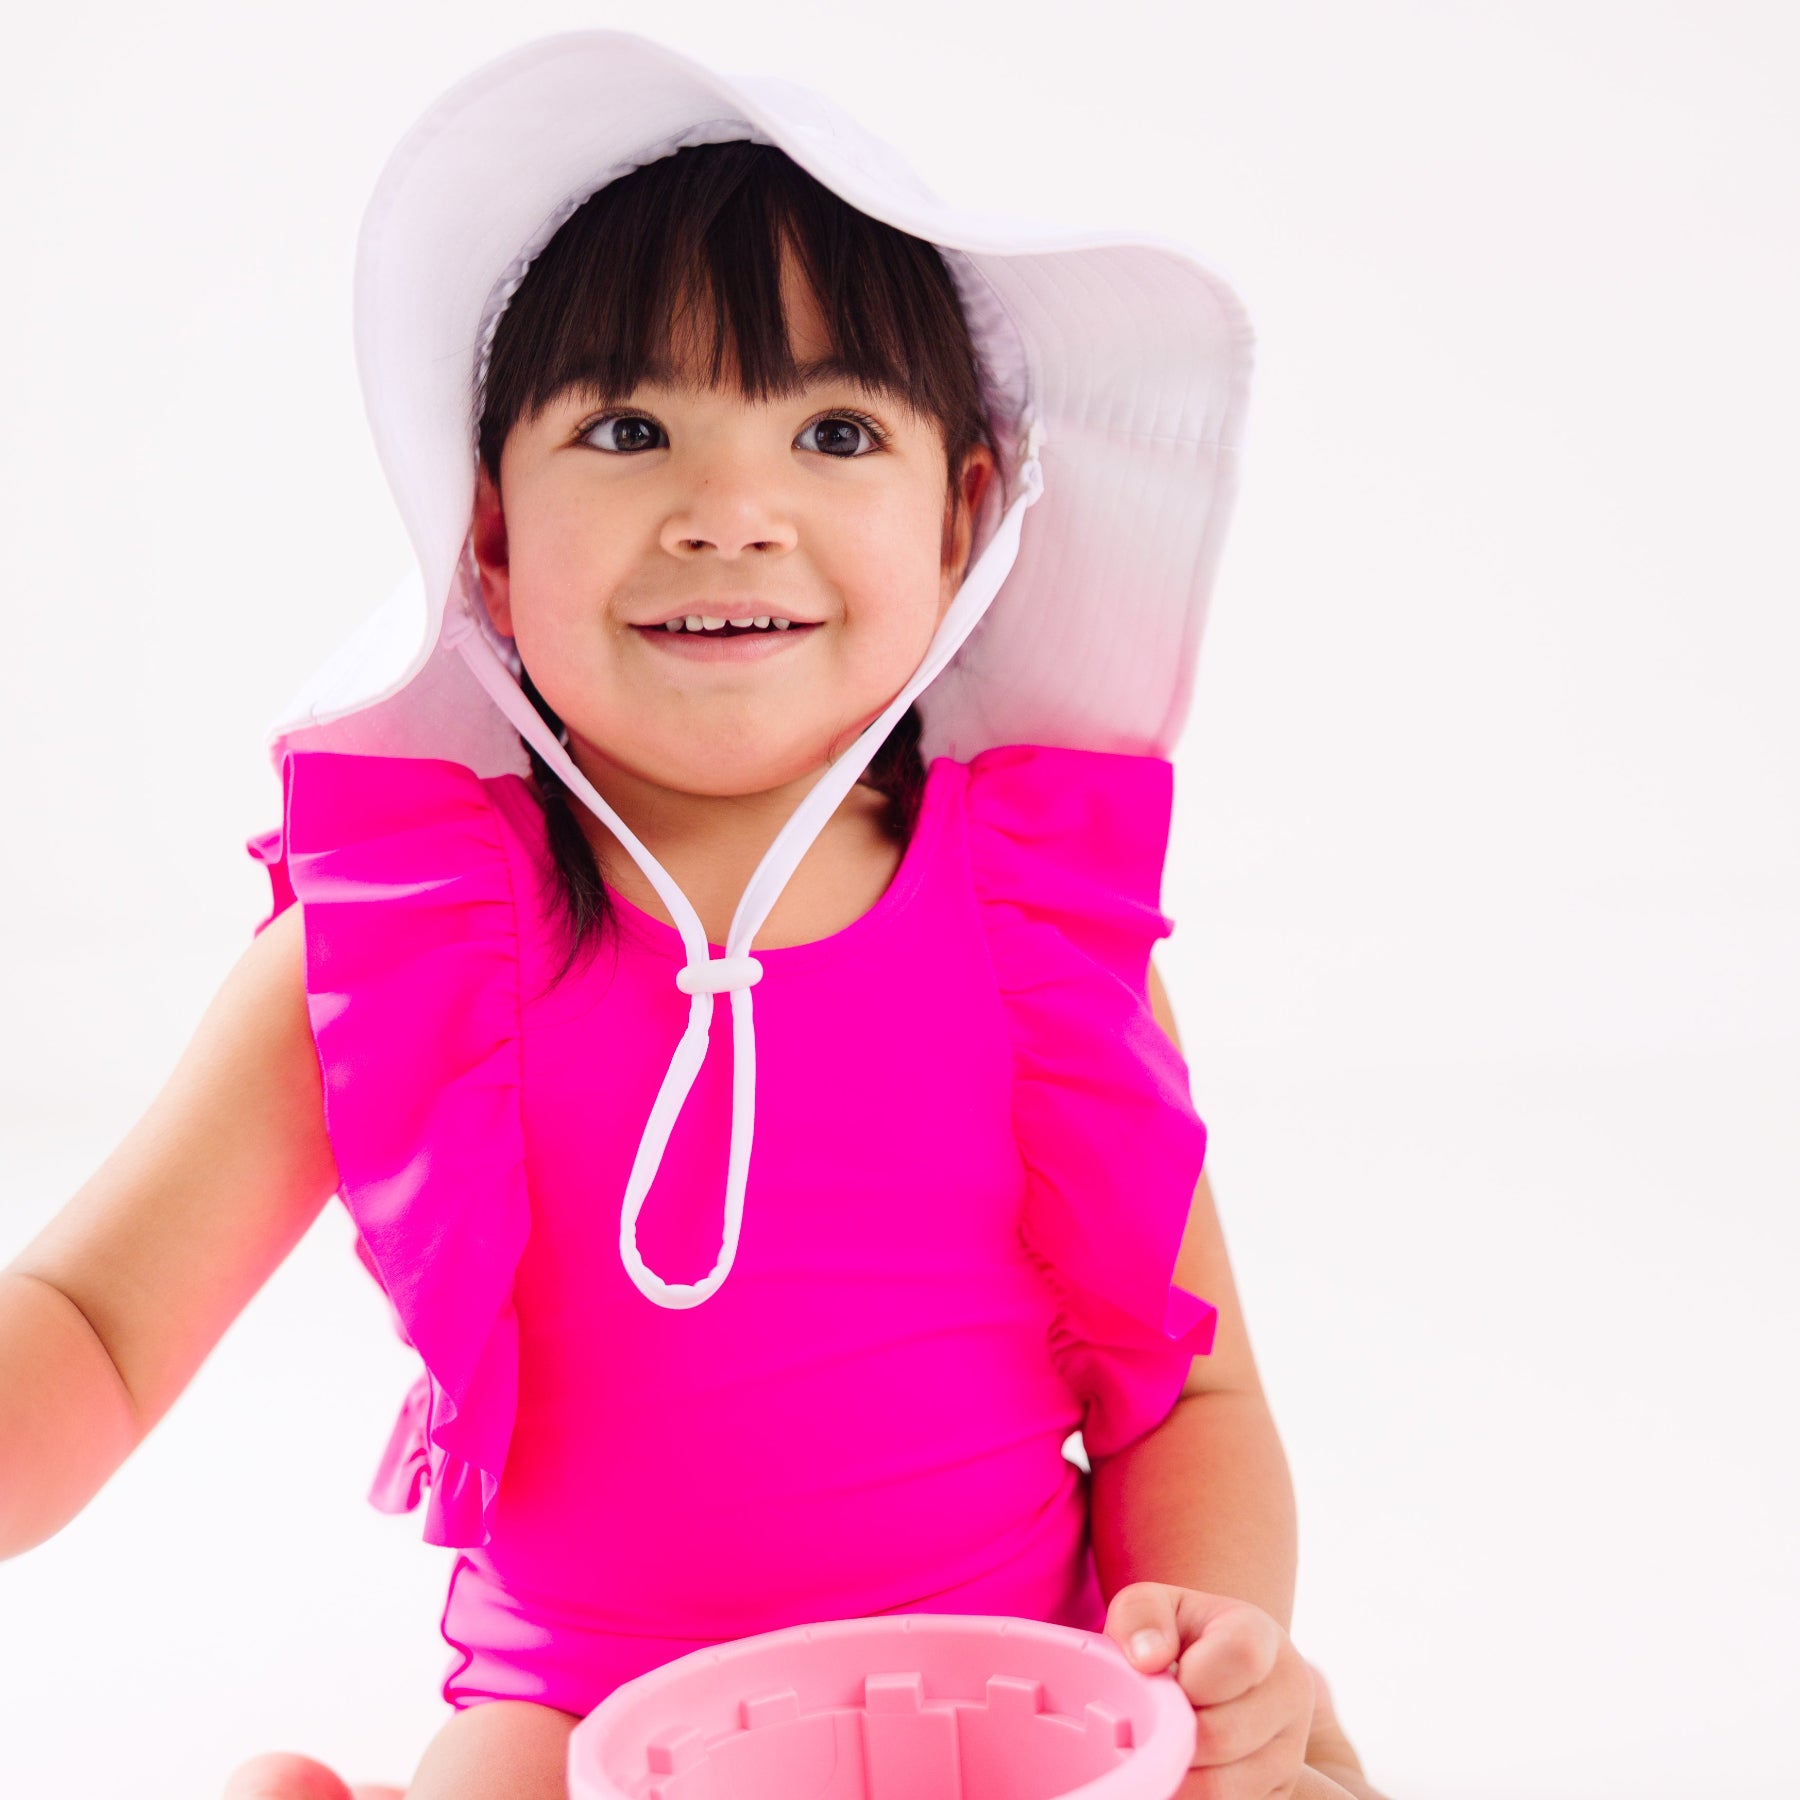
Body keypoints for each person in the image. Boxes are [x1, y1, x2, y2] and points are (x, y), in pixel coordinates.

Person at [0, 29, 1392, 1800]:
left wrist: (1201, 1640)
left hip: (1010, 1689)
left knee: (1297, 1769)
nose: (729, 513)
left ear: (967, 522)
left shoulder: (1034, 921)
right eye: (630, 428)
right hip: (582, 1726)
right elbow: (99, 1332)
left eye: (831, 431)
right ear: (488, 536)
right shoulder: (403, 948)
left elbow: (1183, 1399)